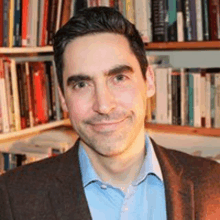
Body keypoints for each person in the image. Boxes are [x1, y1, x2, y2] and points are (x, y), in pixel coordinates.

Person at [0, 7, 220, 220]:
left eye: (119, 78)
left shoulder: (212, 182)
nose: (104, 106)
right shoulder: (13, 197)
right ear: (63, 98)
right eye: (81, 84)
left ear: (149, 81)